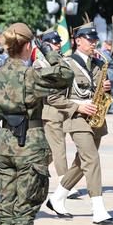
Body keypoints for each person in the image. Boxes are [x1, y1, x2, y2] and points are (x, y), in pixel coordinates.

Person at [0, 23, 74, 225]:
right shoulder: (31, 76)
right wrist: (48, 50)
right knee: (24, 208)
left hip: (4, 143)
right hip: (30, 144)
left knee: (6, 207)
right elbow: (66, 74)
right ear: (27, 46)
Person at [45, 23, 113, 225]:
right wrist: (78, 106)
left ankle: (57, 198)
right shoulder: (66, 64)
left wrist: (106, 88)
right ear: (78, 40)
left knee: (80, 162)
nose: (94, 43)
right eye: (90, 39)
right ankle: (98, 209)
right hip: (77, 118)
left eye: (95, 40)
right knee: (92, 159)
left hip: (96, 119)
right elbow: (53, 98)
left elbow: (96, 90)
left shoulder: (96, 64)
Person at [33, 31, 72, 193]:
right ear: (46, 44)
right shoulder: (39, 64)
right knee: (59, 148)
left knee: (49, 150)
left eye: (59, 43)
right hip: (49, 108)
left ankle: (34, 174)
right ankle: (65, 183)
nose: (58, 46)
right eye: (55, 43)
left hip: (63, 106)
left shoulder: (63, 61)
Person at [101, 40, 113, 113]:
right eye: (108, 45)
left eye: (111, 45)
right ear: (105, 45)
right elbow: (109, 61)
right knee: (108, 92)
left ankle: (111, 108)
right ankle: (107, 108)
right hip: (108, 75)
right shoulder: (104, 53)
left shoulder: (111, 53)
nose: (110, 46)